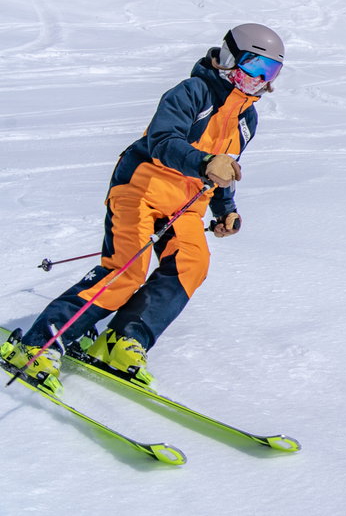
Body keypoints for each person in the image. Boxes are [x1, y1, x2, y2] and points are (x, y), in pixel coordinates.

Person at [2, 23, 284, 393]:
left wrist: (224, 210)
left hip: (185, 205)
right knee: (127, 271)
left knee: (191, 264)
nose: (259, 79)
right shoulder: (193, 92)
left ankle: (122, 341)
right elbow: (162, 140)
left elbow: (223, 168)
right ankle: (39, 343)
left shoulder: (247, 118)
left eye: (270, 72)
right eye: (254, 66)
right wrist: (204, 164)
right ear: (230, 58)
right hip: (141, 187)